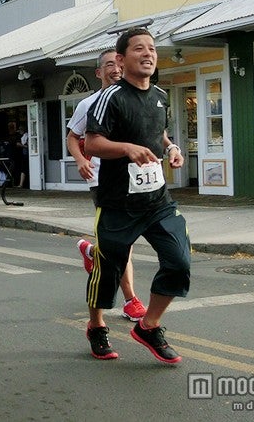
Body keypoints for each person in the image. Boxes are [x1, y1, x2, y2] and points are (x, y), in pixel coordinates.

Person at [84, 27, 189, 364]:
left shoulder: (160, 96)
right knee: (108, 272)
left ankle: (149, 326)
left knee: (179, 261)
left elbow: (158, 132)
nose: (148, 54)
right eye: (139, 49)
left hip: (157, 201)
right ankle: (96, 325)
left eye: (152, 49)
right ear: (121, 58)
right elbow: (91, 143)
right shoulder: (111, 97)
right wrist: (127, 148)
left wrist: (171, 148)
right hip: (117, 203)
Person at [66, 49, 146, 324]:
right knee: (123, 242)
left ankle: (91, 251)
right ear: (99, 72)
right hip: (102, 180)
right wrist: (80, 161)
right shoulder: (88, 104)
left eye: (119, 64)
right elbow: (72, 137)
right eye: (109, 65)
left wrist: (170, 148)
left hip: (133, 178)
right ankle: (131, 300)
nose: (116, 69)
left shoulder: (134, 99)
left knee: (120, 240)